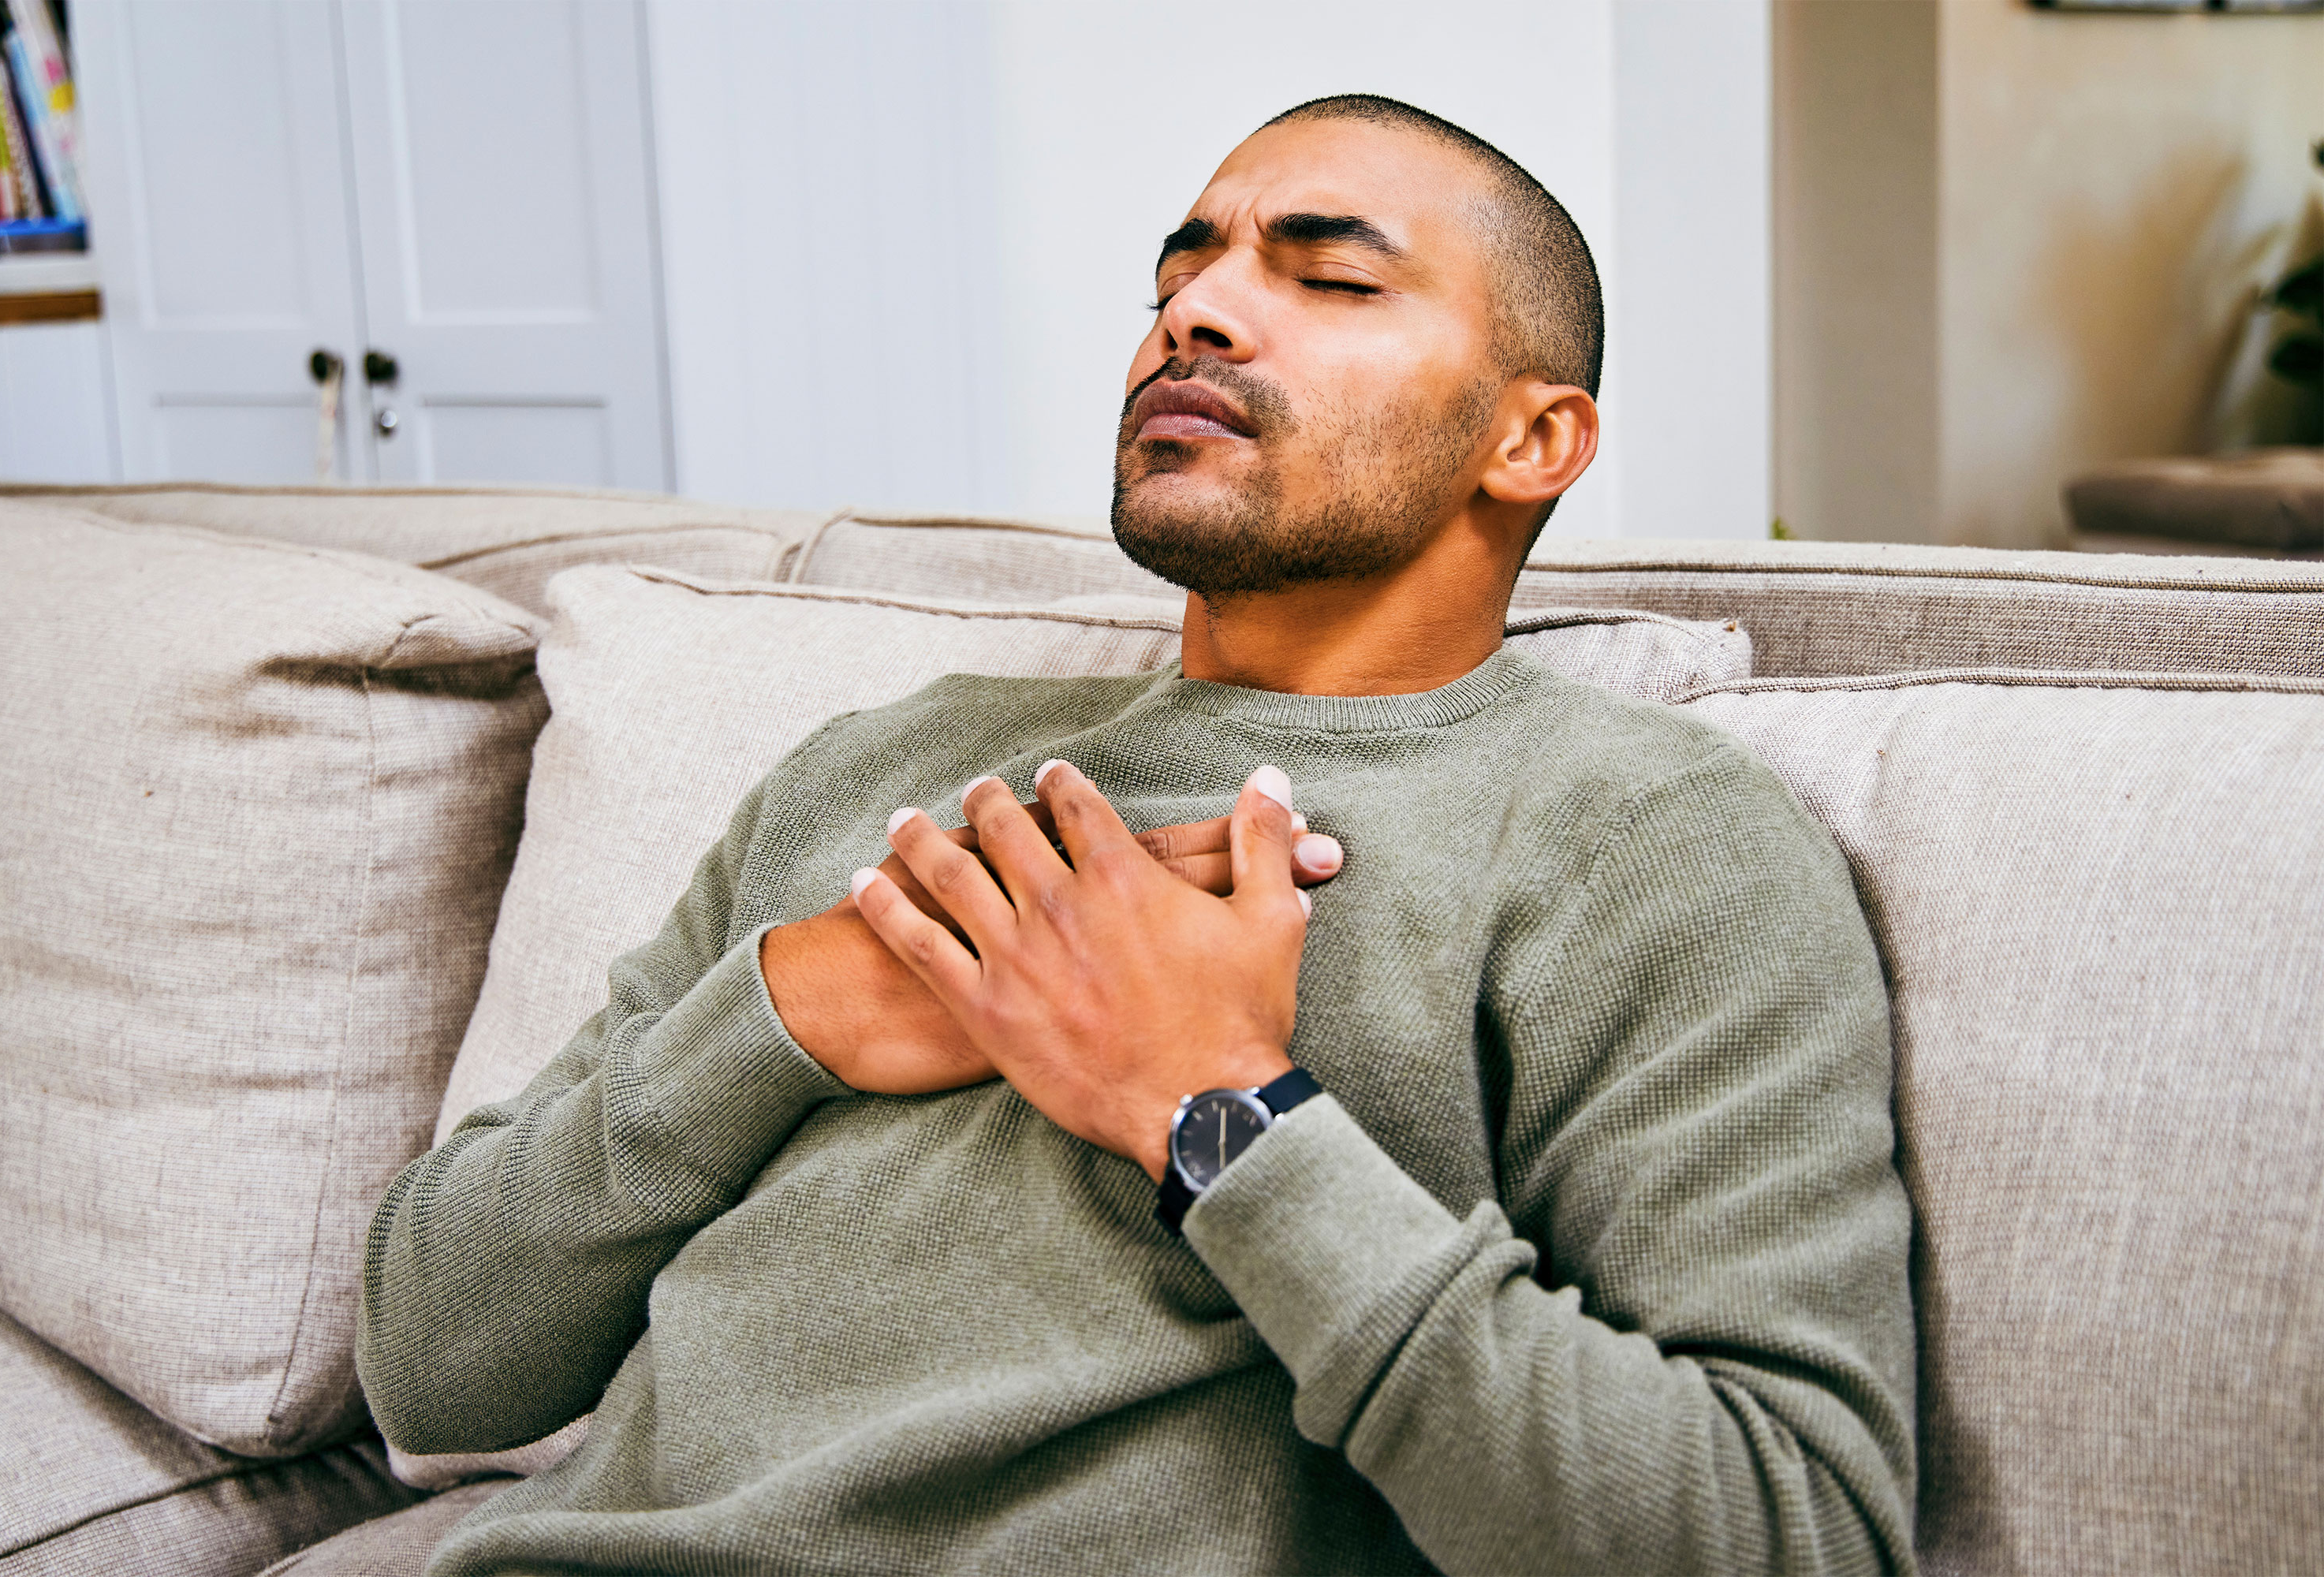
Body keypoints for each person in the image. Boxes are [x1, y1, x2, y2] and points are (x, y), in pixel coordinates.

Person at [358, 95, 1917, 1575]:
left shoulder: (1647, 837)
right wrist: (789, 1013)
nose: (1200, 313)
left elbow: (1785, 1529)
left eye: (1325, 276)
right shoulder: (888, 768)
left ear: (1532, 441)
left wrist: (1215, 1107)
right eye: (1182, 271)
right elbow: (429, 1367)